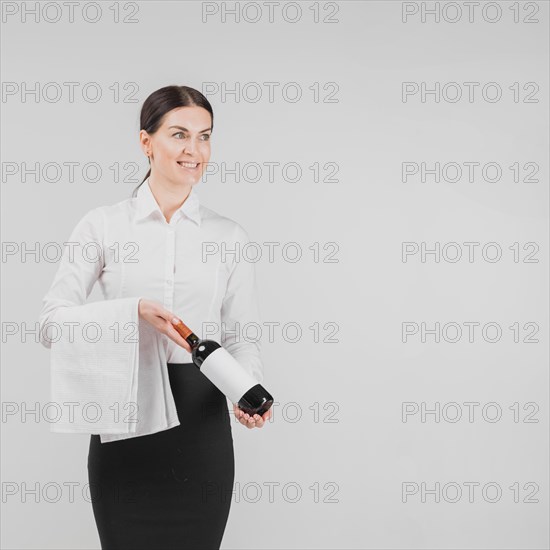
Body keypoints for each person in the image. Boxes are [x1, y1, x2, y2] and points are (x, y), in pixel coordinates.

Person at [40, 85, 272, 550]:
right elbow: (51, 324)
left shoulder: (229, 236)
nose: (194, 150)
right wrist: (133, 313)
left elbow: (241, 336)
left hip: (202, 422)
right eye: (179, 134)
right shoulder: (102, 225)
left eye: (204, 137)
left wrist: (246, 390)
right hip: (124, 419)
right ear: (146, 142)